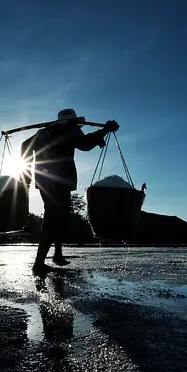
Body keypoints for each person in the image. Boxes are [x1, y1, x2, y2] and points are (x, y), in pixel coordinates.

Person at [20, 109, 119, 274]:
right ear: (71, 121)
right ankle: (39, 263)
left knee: (59, 215)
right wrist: (105, 130)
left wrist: (27, 176)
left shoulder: (44, 132)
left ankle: (57, 255)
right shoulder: (69, 129)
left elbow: (24, 146)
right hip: (60, 180)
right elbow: (85, 143)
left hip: (44, 179)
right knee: (53, 216)